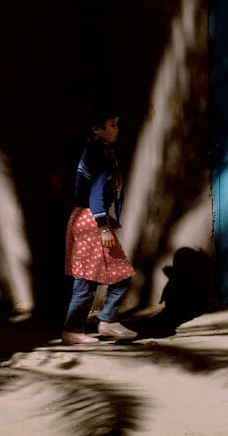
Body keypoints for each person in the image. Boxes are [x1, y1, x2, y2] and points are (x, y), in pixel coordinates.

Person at [61, 111, 138, 345]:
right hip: (91, 222)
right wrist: (103, 225)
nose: (117, 130)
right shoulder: (99, 153)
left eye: (117, 125)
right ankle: (97, 323)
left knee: (91, 279)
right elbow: (95, 192)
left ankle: (91, 324)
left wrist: (105, 220)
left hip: (84, 218)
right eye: (112, 125)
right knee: (106, 277)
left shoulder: (96, 150)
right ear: (96, 129)